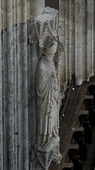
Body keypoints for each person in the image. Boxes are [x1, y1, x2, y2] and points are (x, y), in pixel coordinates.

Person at [35, 31, 63, 166]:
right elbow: (40, 89)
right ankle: (44, 142)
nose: (52, 56)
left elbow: (54, 76)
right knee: (46, 121)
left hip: (52, 99)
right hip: (46, 101)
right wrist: (51, 79)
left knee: (52, 120)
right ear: (46, 53)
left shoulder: (49, 62)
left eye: (53, 54)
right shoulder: (41, 66)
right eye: (51, 54)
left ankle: (52, 137)